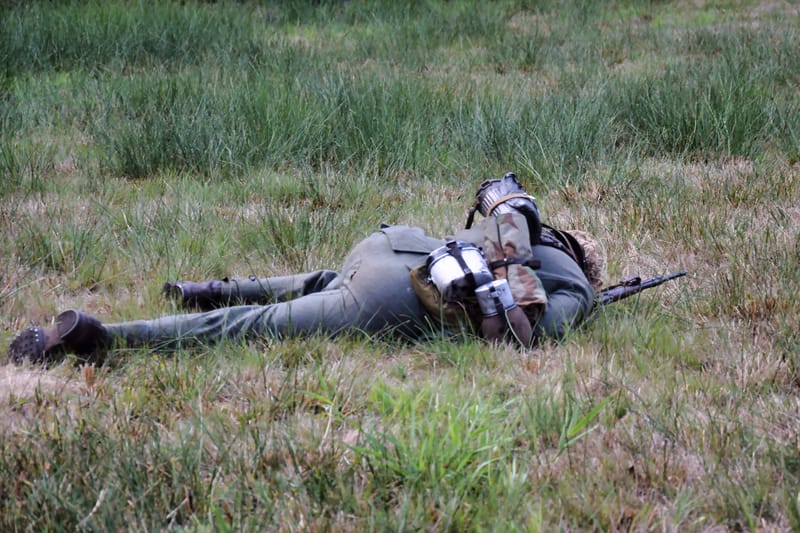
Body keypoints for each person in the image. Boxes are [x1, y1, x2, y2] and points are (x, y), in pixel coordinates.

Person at [6, 174, 597, 365]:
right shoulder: (571, 284)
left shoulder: (513, 227)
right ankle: (103, 339)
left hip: (386, 249)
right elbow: (536, 333)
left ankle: (208, 289)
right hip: (391, 298)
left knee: (321, 282)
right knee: (261, 325)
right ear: (586, 269)